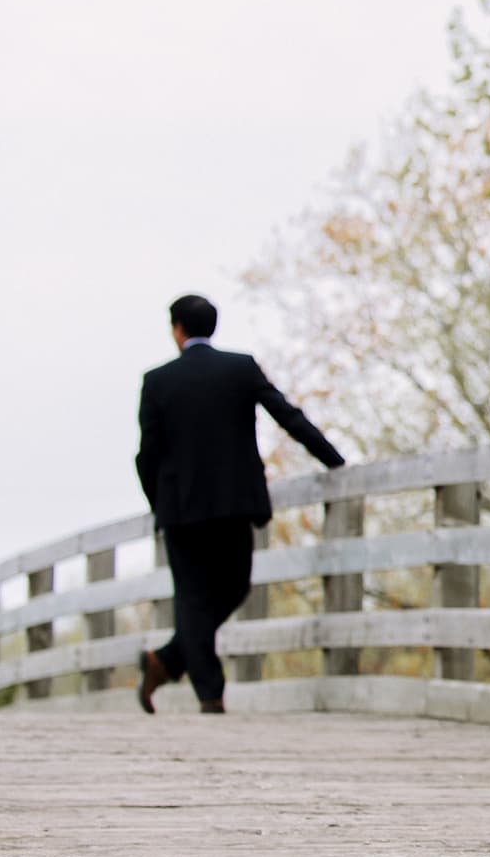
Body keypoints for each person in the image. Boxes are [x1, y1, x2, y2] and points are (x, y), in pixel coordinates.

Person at [134, 295, 346, 713]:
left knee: (198, 597)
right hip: (234, 502)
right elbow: (287, 415)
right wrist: (333, 458)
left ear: (177, 329)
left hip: (182, 509)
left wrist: (158, 501)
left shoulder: (158, 381)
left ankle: (167, 661)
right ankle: (210, 695)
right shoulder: (240, 368)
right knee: (232, 588)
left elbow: (148, 455)